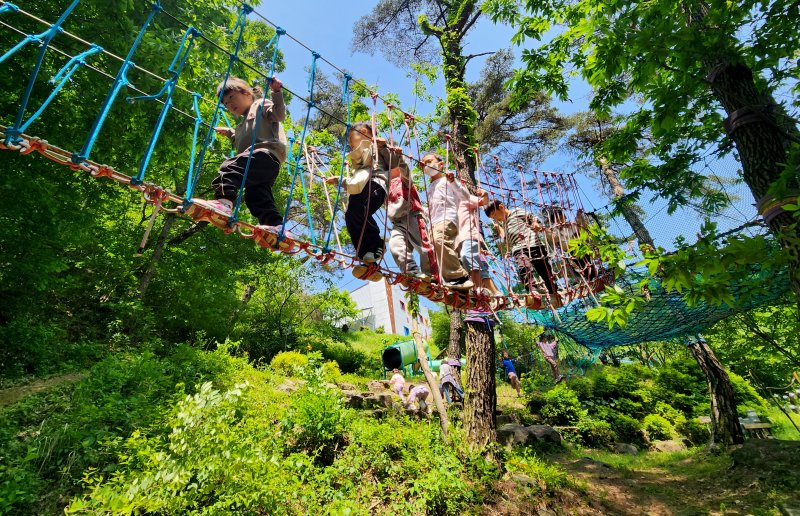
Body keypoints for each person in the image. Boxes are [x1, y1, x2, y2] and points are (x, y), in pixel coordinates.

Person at [193, 76, 291, 236]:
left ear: (246, 93)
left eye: (231, 97)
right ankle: (276, 227)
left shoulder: (261, 104)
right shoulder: (240, 126)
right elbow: (243, 141)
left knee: (229, 168)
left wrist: (276, 92)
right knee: (255, 196)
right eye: (225, 104)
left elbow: (279, 115)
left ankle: (224, 202)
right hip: (263, 165)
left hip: (265, 154)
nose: (230, 104)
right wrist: (230, 133)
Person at [327, 123, 408, 280]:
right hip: (363, 185)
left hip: (376, 183)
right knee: (351, 215)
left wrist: (384, 146)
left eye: (351, 139)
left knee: (360, 209)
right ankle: (366, 259)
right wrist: (338, 180)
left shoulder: (376, 147)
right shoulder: (359, 158)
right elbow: (356, 179)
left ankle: (377, 243)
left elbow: (394, 164)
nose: (350, 144)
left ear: (363, 132)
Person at [485, 200, 560, 308]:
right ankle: (534, 293)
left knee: (545, 271)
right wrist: (499, 228)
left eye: (494, 215)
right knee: (524, 269)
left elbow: (531, 217)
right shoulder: (505, 224)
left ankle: (553, 293)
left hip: (533, 245)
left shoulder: (515, 212)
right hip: (519, 249)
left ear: (501, 207)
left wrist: (535, 223)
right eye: (493, 218)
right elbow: (506, 240)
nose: (495, 219)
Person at [420, 153, 473, 290]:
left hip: (447, 218)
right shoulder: (430, 187)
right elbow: (432, 208)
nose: (426, 165)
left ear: (441, 164)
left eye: (429, 161)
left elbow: (465, 196)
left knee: (439, 240)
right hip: (433, 222)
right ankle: (434, 278)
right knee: (429, 249)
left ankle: (458, 277)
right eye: (423, 164)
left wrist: (453, 182)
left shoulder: (447, 180)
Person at [387, 165, 436, 281]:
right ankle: (411, 271)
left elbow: (405, 171)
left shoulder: (404, 178)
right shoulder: (384, 184)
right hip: (397, 222)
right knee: (395, 245)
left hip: (413, 215)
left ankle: (432, 275)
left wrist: (399, 158)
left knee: (423, 246)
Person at [455, 182, 503, 300]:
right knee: (478, 267)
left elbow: (483, 202)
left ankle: (477, 290)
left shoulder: (464, 198)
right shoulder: (449, 205)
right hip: (458, 240)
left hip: (469, 236)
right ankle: (497, 294)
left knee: (467, 257)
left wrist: (485, 195)